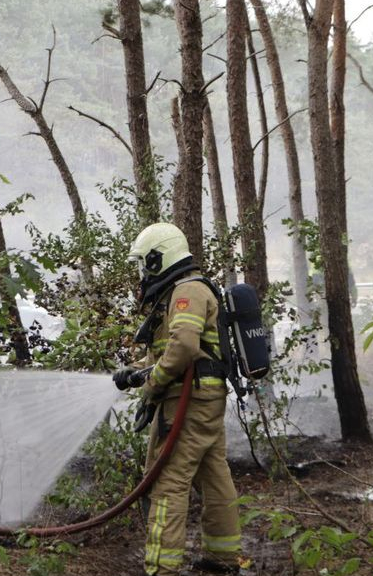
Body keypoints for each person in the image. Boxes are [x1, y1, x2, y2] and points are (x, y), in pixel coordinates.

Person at [113, 222, 243, 576]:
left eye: (144, 263)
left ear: (158, 258)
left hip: (188, 401)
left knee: (168, 481)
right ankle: (223, 558)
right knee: (214, 476)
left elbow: (184, 346)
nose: (142, 272)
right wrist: (135, 371)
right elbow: (174, 349)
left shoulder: (186, 291)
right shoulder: (187, 289)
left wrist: (152, 383)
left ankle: (162, 567)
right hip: (205, 398)